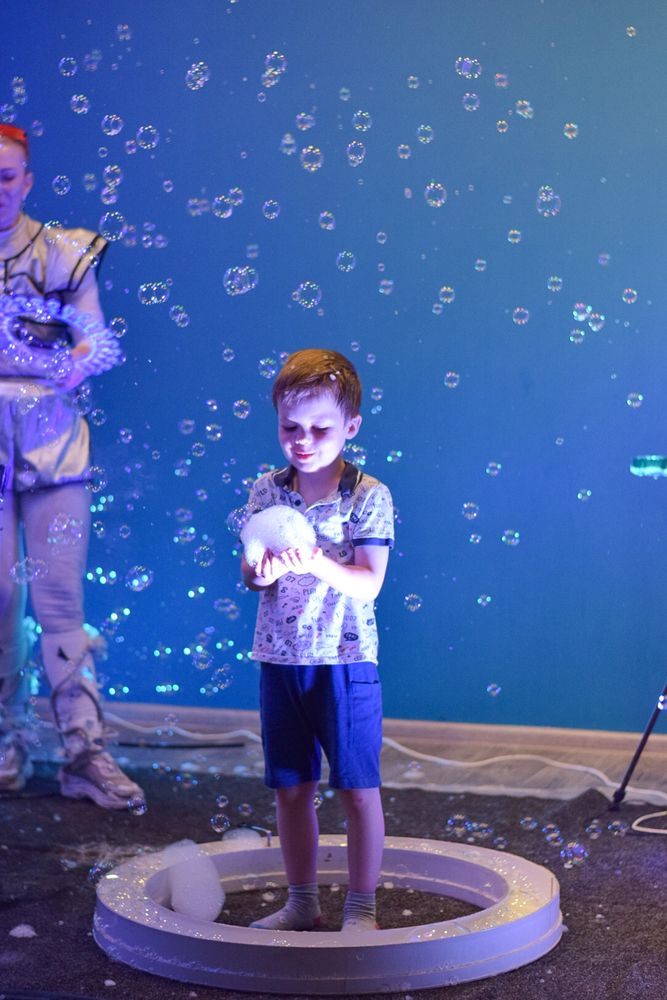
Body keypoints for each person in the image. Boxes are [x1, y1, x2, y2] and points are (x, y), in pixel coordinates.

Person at [0, 123, 145, 809]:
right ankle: (7, 738)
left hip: (52, 440)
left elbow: (98, 341)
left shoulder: (64, 252)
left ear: (27, 181)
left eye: (6, 177)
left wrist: (62, 362)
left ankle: (83, 750)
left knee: (58, 597)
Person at [240, 348, 394, 932]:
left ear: (350, 427)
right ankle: (302, 902)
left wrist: (315, 562)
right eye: (290, 427)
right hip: (280, 659)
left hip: (344, 662)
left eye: (320, 428)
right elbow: (251, 575)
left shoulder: (367, 495)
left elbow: (369, 582)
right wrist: (263, 571)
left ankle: (361, 908)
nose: (303, 441)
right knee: (290, 787)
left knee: (357, 790)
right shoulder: (267, 491)